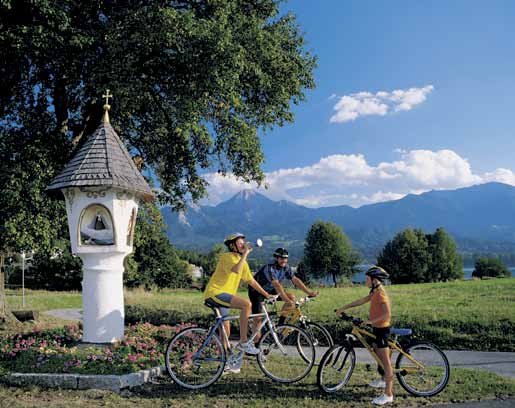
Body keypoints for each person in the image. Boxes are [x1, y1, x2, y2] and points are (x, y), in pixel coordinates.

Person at [203, 232, 273, 359]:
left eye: (243, 243)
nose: (243, 245)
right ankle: (243, 341)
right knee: (246, 304)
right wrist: (245, 253)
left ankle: (224, 360)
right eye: (240, 243)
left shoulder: (242, 262)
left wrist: (266, 294)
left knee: (226, 330)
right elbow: (236, 270)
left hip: (224, 296)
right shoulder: (227, 257)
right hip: (215, 293)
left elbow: (251, 281)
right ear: (232, 246)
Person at [335, 266, 393, 406]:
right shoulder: (374, 291)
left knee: (386, 363)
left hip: (382, 330)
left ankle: (388, 394)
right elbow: (362, 300)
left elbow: (387, 314)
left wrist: (369, 322)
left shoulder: (381, 294)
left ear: (374, 280)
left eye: (367, 279)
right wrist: (344, 308)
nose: (365, 281)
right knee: (376, 354)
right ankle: (383, 379)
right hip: (376, 328)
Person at [248, 247, 318, 344]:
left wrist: (309, 292)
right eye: (282, 258)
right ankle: (255, 344)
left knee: (292, 297)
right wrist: (285, 299)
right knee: (258, 318)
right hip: (256, 291)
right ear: (276, 258)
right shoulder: (270, 267)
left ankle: (280, 325)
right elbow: (276, 285)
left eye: (286, 258)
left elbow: (295, 280)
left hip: (270, 289)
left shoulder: (286, 267)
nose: (284, 260)